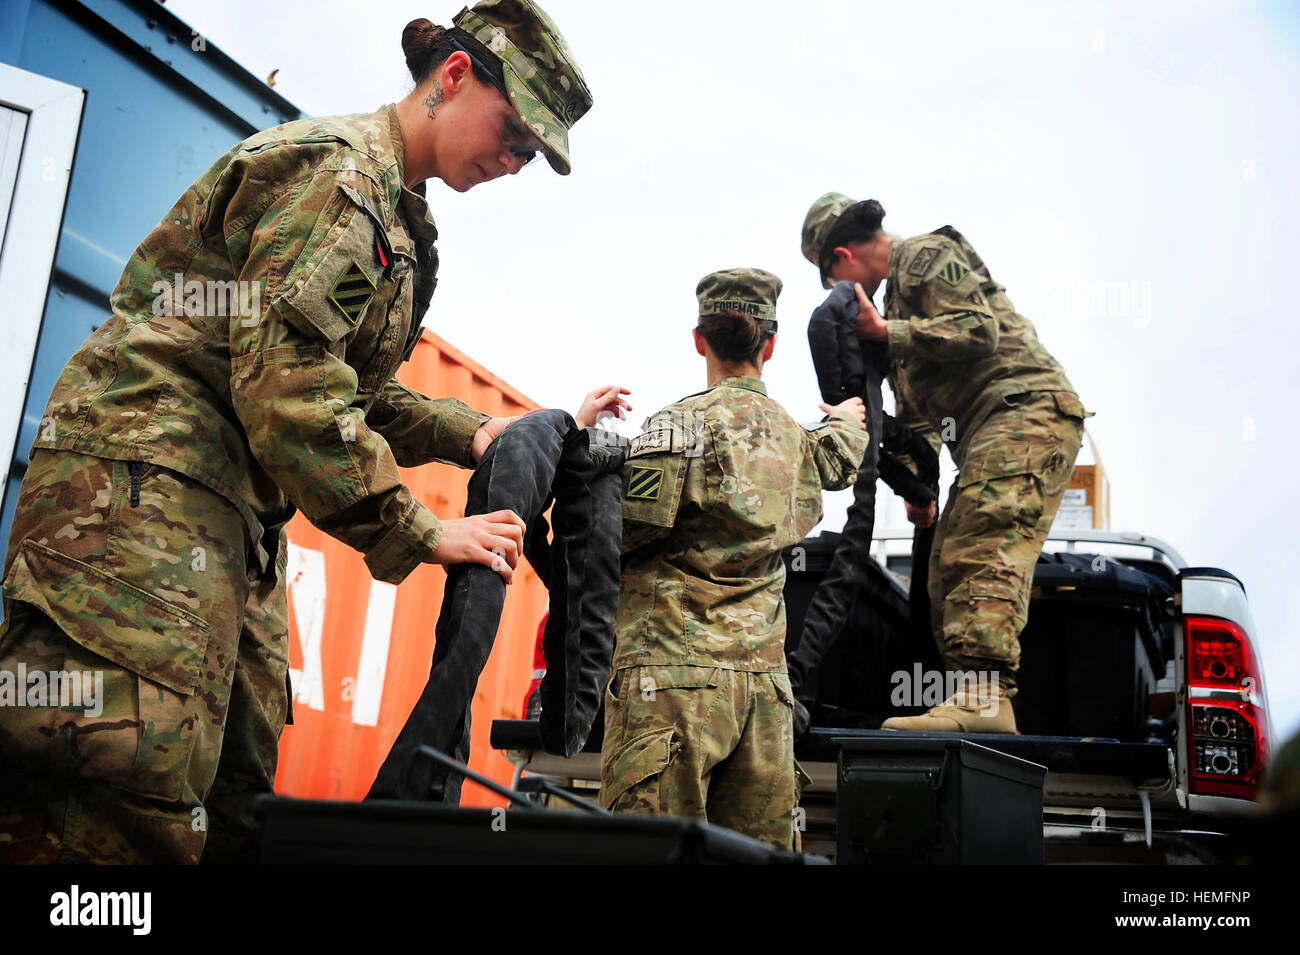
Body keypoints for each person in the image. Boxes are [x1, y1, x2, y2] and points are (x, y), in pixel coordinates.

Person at [0, 0, 592, 863]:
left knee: (232, 796)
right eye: (514, 131)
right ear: (454, 76)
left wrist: (475, 434)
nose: (514, 161)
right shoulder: (340, 178)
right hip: (139, 505)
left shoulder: (396, 215)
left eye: (531, 155)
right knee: (114, 794)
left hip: (229, 518)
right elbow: (290, 389)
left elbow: (348, 384)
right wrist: (424, 531)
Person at [598, 268, 869, 849]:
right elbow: (840, 458)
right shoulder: (798, 439)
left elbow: (621, 535)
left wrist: (587, 452)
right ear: (771, 344)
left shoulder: (674, 425)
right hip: (763, 697)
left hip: (669, 683)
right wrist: (848, 420)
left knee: (647, 853)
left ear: (700, 339)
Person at [799, 194, 1090, 734]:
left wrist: (888, 335)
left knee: (978, 547)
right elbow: (924, 426)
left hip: (1024, 411)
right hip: (987, 432)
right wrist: (914, 484)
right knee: (942, 566)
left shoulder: (923, 257)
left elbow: (981, 330)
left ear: (842, 255)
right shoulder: (891, 315)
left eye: (833, 276)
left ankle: (985, 703)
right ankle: (973, 702)